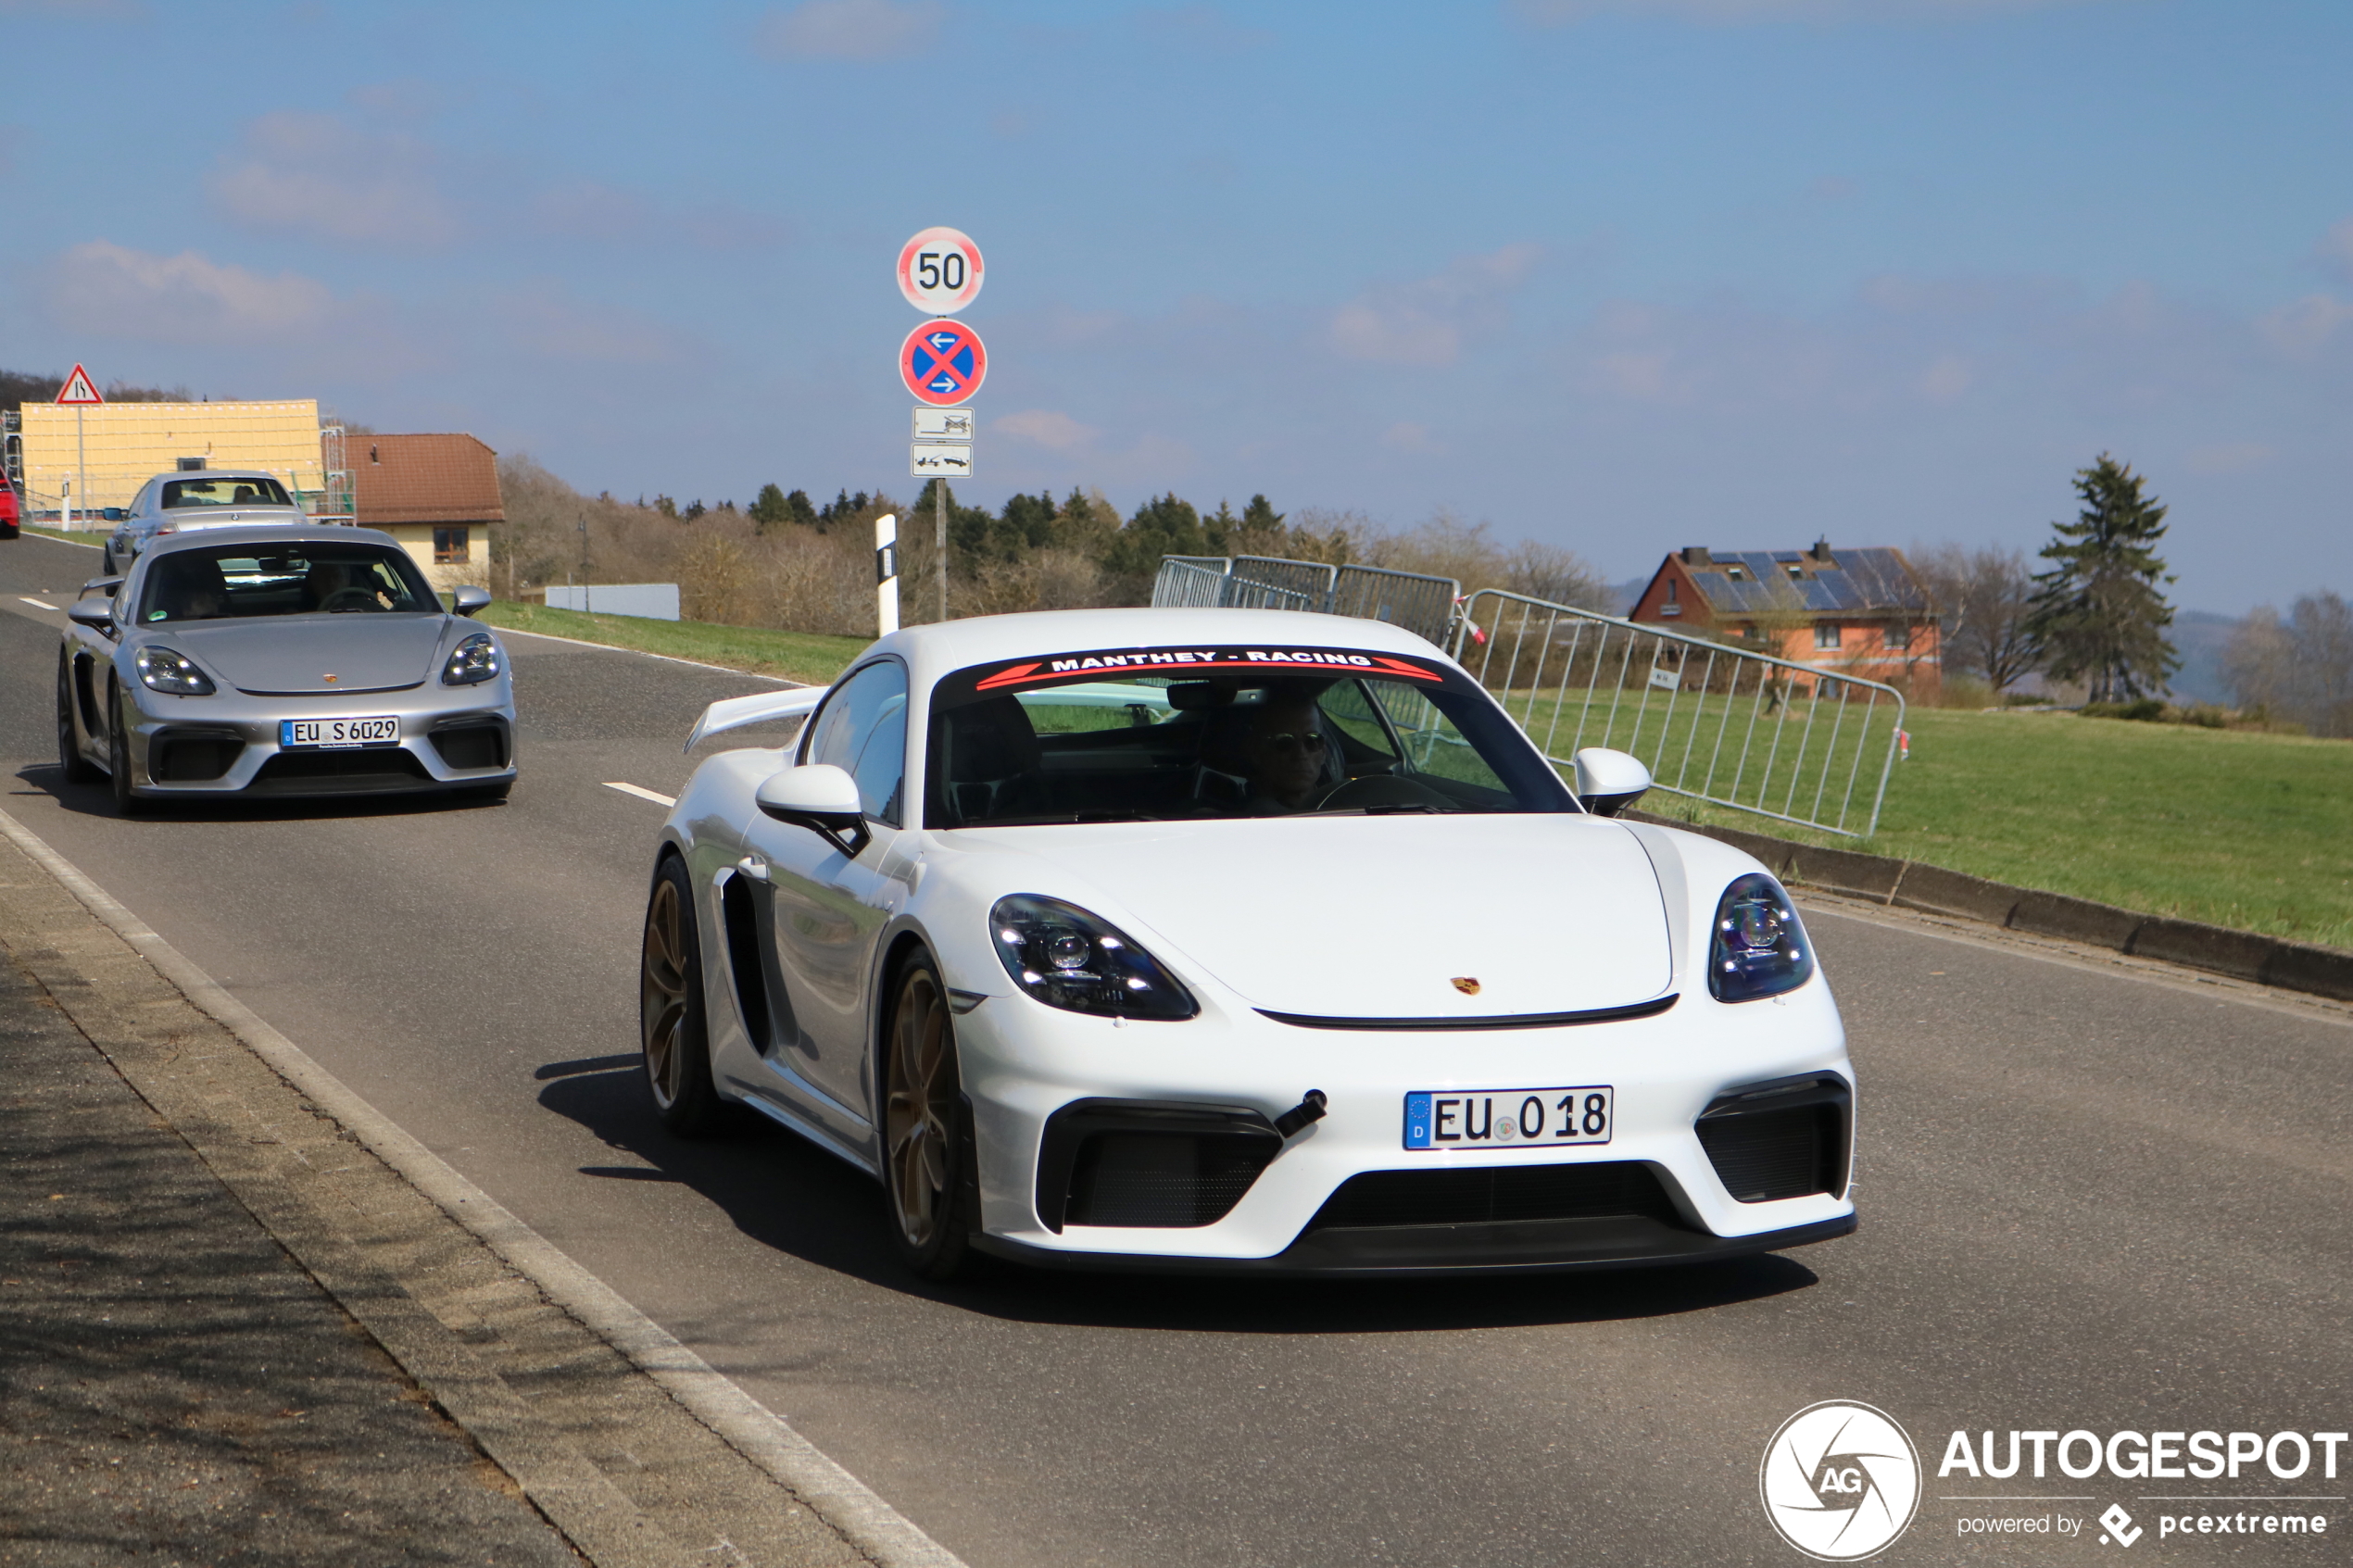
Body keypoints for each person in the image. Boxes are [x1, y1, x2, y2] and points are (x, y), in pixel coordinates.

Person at [1226, 688, 1339, 813]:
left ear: (1323, 751)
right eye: (1284, 742)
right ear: (1257, 752)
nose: (1300, 754)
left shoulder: (1344, 804)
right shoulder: (1235, 819)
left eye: (1312, 741)